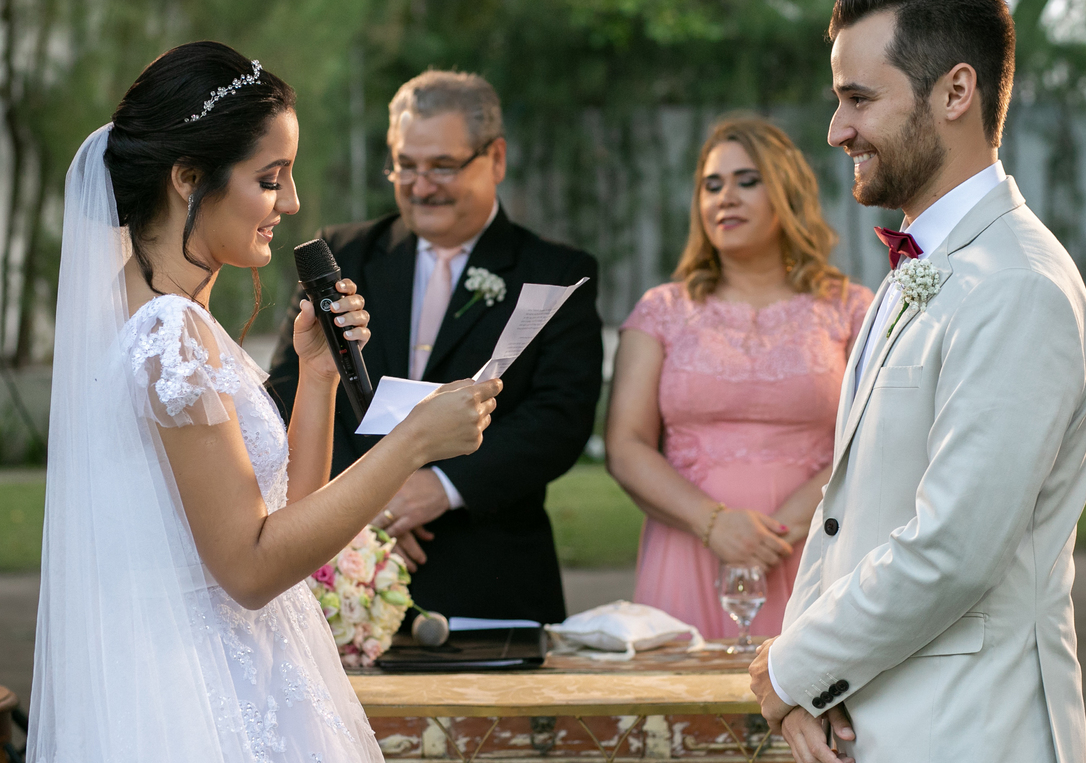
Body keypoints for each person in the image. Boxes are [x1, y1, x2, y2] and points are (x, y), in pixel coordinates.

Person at [29, 41, 500, 761]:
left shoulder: (165, 317)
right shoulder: (168, 333)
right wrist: (412, 443)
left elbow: (286, 528)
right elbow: (249, 572)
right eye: (270, 177)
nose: (292, 202)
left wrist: (318, 378)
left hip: (254, 670)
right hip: (208, 699)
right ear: (190, 178)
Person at [748, 0, 1086, 763]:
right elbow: (848, 519)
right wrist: (805, 685)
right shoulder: (918, 271)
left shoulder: (1019, 287)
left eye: (859, 99)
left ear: (956, 92)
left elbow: (954, 548)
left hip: (972, 729)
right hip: (877, 718)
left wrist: (793, 668)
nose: (837, 130)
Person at [268, 70, 603, 624]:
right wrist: (368, 501)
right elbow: (288, 389)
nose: (421, 186)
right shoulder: (344, 255)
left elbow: (559, 417)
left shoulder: (554, 271)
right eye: (406, 164)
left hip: (490, 579)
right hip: (346, 574)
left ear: (494, 158)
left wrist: (439, 487)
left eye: (442, 166)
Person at [605, 116, 872, 641]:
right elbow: (626, 445)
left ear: (787, 193)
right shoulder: (661, 311)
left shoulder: (852, 310)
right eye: (712, 185)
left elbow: (873, 437)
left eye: (747, 180)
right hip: (689, 552)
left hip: (815, 550)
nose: (725, 197)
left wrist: (779, 532)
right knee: (683, 722)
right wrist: (714, 524)